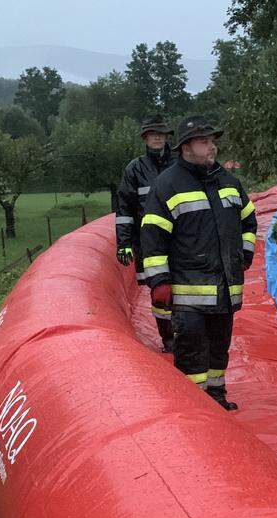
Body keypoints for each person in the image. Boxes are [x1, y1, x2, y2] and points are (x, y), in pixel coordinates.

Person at [139, 116, 258, 410]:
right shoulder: (168, 185)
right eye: (205, 142)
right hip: (188, 292)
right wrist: (160, 281)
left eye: (212, 141)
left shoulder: (228, 182)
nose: (212, 147)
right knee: (191, 349)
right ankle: (193, 406)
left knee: (219, 347)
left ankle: (216, 397)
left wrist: (244, 254)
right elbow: (152, 236)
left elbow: (249, 221)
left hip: (225, 290)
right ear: (186, 147)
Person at [115, 115, 176, 351]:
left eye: (161, 133)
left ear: (167, 136)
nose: (157, 137)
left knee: (183, 289)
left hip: (182, 239)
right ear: (145, 138)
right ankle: (168, 339)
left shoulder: (180, 162)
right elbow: (124, 209)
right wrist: (124, 243)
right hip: (150, 243)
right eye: (152, 134)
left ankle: (185, 334)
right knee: (160, 293)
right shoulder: (135, 169)